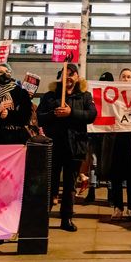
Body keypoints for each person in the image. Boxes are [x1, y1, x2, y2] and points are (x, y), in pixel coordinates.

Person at [37, 63, 97, 232]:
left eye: (72, 74)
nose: (69, 77)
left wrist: (72, 113)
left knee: (70, 185)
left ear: (77, 77)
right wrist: (54, 114)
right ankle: (43, 217)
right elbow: (40, 117)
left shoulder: (84, 96)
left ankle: (66, 218)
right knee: (51, 183)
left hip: (75, 147)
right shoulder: (50, 96)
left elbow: (91, 115)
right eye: (66, 73)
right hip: (54, 146)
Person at [101, 68, 131, 220]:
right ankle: (118, 207)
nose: (126, 79)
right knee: (116, 177)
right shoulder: (111, 96)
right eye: (124, 77)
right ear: (119, 79)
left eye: (129, 77)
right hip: (116, 142)